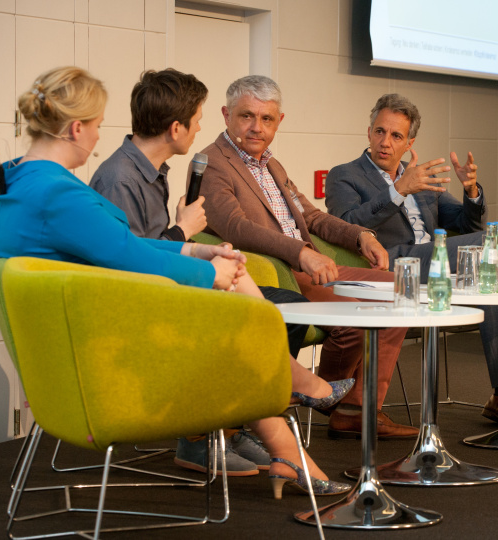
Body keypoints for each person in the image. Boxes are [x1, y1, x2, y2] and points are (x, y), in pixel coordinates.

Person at [0, 66, 349, 496]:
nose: (100, 138)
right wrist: (205, 270)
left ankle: (289, 441)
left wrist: (194, 251)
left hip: (83, 333)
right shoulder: (55, 193)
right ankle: (291, 408)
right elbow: (126, 255)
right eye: (99, 127)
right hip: (105, 347)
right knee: (238, 326)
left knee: (234, 289)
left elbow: (123, 246)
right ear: (76, 128)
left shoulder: (24, 182)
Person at [88, 68, 342, 475]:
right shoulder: (121, 178)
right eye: (198, 118)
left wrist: (198, 249)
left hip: (170, 286)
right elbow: (128, 267)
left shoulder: (149, 173)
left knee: (286, 308)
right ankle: (206, 435)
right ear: (176, 128)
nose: (201, 127)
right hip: (145, 307)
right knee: (266, 313)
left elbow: (147, 248)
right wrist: (183, 232)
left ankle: (240, 424)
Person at [325, 93, 498, 422]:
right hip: (396, 268)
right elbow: (346, 225)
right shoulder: (344, 175)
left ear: (409, 142)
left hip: (438, 266)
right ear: (369, 131)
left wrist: (471, 190)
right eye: (379, 131)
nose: (385, 141)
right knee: (494, 248)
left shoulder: (422, 177)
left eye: (396, 135)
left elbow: (467, 224)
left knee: (492, 276)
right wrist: (398, 190)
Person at [197, 75, 416, 440]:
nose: (257, 127)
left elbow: (311, 216)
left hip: (310, 265)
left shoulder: (271, 165)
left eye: (267, 119)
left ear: (279, 121)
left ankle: (353, 406)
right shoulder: (213, 162)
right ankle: (336, 401)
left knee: (399, 289)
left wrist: (360, 235)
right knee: (382, 301)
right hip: (279, 272)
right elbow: (234, 227)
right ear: (226, 115)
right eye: (247, 116)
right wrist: (300, 253)